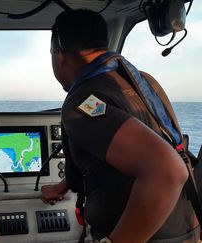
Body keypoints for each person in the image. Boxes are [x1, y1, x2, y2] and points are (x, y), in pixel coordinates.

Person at [41, 9, 199, 243]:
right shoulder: (144, 81)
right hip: (186, 227)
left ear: (59, 53)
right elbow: (128, 151)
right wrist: (62, 186)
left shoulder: (82, 103)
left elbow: (168, 170)